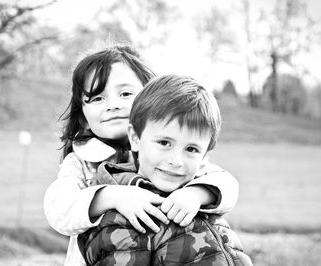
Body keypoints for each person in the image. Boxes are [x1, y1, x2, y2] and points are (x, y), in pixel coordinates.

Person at [44, 44, 239, 266]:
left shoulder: (175, 150)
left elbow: (226, 184)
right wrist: (113, 196)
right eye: (97, 98)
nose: (113, 105)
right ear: (82, 116)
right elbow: (57, 209)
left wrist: (196, 195)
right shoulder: (82, 161)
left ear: (151, 96)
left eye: (125, 94)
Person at [77, 74, 252, 265]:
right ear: (135, 138)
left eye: (191, 149)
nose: (176, 161)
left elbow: (227, 185)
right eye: (164, 142)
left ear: (204, 156)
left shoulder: (199, 186)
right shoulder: (129, 213)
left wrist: (197, 195)